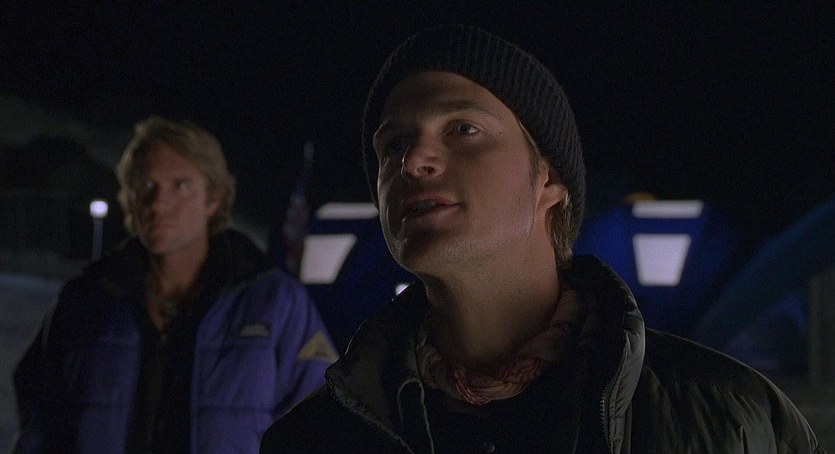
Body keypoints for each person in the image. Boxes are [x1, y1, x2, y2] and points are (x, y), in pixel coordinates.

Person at [260, 25, 823, 453]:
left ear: (548, 178)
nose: (414, 160)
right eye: (393, 146)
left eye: (463, 129)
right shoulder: (315, 438)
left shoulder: (730, 418)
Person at [12, 116, 338, 453]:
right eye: (146, 185)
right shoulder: (84, 301)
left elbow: (319, 422)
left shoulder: (275, 304)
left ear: (213, 198)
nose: (157, 203)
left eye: (180, 185)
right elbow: (39, 422)